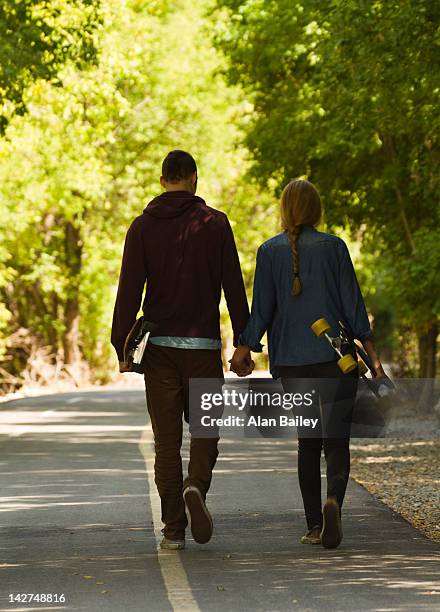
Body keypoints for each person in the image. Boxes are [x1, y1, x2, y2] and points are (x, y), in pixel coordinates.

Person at [230, 179, 386, 549]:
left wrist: (244, 348)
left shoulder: (269, 252)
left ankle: (315, 525)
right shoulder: (334, 248)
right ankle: (334, 501)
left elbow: (262, 310)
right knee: (336, 440)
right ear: (316, 211)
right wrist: (374, 360)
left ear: (285, 211)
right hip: (337, 360)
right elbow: (354, 306)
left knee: (307, 442)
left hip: (292, 363)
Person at [111, 150, 249, 550]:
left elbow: (128, 292)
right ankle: (196, 488)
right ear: (193, 178)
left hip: (160, 351)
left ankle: (174, 528)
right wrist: (244, 342)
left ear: (162, 180)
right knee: (205, 431)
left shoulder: (141, 227)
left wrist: (122, 344)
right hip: (203, 347)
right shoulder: (216, 224)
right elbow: (233, 287)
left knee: (166, 442)